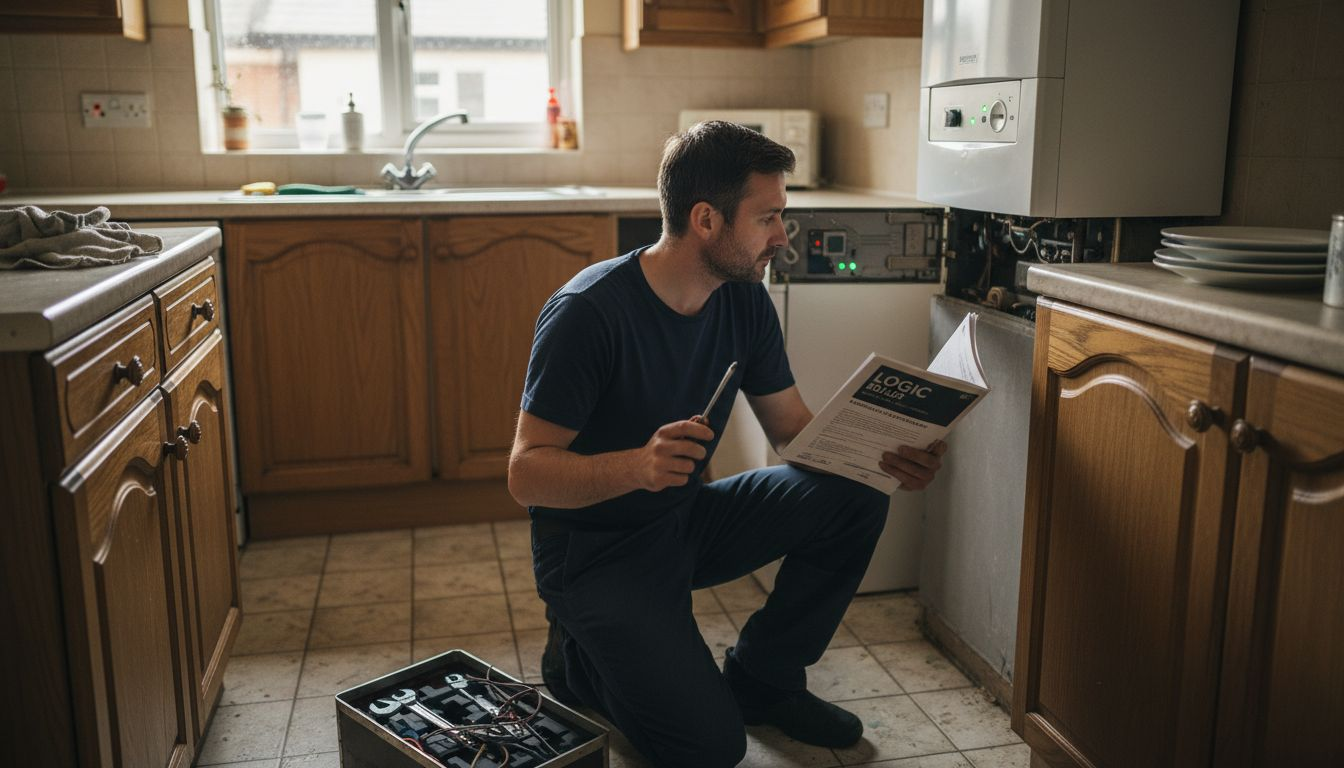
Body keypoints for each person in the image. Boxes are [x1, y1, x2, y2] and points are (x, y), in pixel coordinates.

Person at [508, 120, 947, 768]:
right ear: (707, 220)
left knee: (855, 496)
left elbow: (793, 430)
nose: (782, 235)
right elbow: (526, 474)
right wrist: (636, 466)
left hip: (686, 521)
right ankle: (576, 661)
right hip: (594, 553)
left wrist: (882, 452)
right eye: (768, 217)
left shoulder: (743, 301)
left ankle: (762, 680)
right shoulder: (589, 313)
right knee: (710, 749)